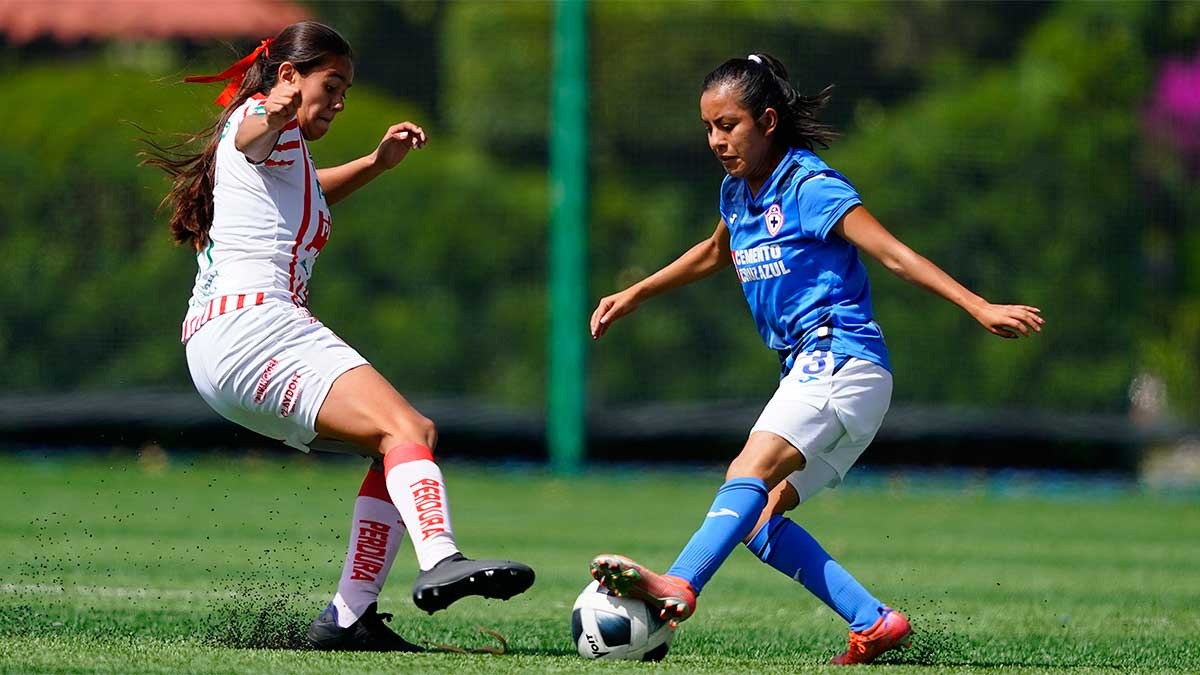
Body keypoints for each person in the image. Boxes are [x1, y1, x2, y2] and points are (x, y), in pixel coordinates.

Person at [587, 53, 1043, 666]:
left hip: (837, 358)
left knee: (744, 472)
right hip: (835, 377)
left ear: (767, 120)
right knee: (757, 521)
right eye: (708, 128)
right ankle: (875, 621)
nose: (716, 141)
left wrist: (978, 305)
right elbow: (715, 253)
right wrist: (636, 292)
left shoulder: (810, 185)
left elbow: (893, 253)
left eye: (729, 125)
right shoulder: (737, 192)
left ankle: (679, 582)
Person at [141, 21, 534, 652]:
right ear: (291, 76)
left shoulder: (289, 153)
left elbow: (307, 193)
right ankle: (440, 559)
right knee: (407, 429)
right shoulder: (261, 121)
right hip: (256, 327)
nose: (342, 99)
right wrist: (273, 107)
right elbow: (249, 134)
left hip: (226, 344)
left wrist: (378, 163)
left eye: (346, 86)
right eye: (333, 83)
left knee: (403, 441)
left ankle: (350, 617)